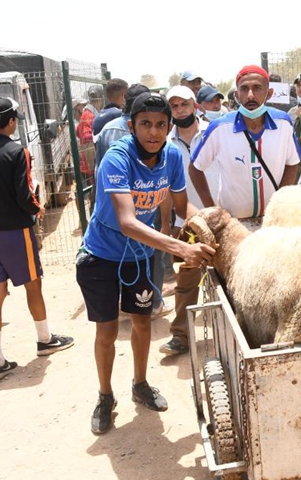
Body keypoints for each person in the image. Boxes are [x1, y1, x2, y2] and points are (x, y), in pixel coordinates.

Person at [76, 92, 215, 434]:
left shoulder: (169, 156)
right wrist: (179, 249)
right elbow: (127, 221)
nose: (153, 132)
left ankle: (140, 384)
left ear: (169, 127)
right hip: (101, 257)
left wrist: (214, 230)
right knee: (107, 331)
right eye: (145, 124)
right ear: (131, 126)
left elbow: (184, 208)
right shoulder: (117, 159)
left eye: (160, 125)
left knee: (142, 324)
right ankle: (105, 396)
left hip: (137, 258)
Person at [0, 97, 74, 382]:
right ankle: (44, 339)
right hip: (14, 232)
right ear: (12, 121)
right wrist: (36, 208)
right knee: (33, 284)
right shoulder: (18, 152)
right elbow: (24, 194)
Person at [189, 65, 301, 224]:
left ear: (269, 93)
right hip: (234, 224)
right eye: (244, 89)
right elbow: (195, 168)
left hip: (272, 222)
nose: (250, 95)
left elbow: (292, 163)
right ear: (236, 95)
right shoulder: (220, 128)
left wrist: (279, 202)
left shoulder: (283, 123)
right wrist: (212, 210)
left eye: (257, 88)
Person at [159, 85, 220, 356]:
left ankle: (233, 332)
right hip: (185, 220)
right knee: (187, 278)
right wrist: (167, 224)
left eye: (184, 104)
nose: (180, 110)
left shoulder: (215, 132)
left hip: (219, 214)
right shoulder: (164, 142)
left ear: (195, 105)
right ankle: (182, 336)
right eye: (174, 106)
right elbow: (163, 187)